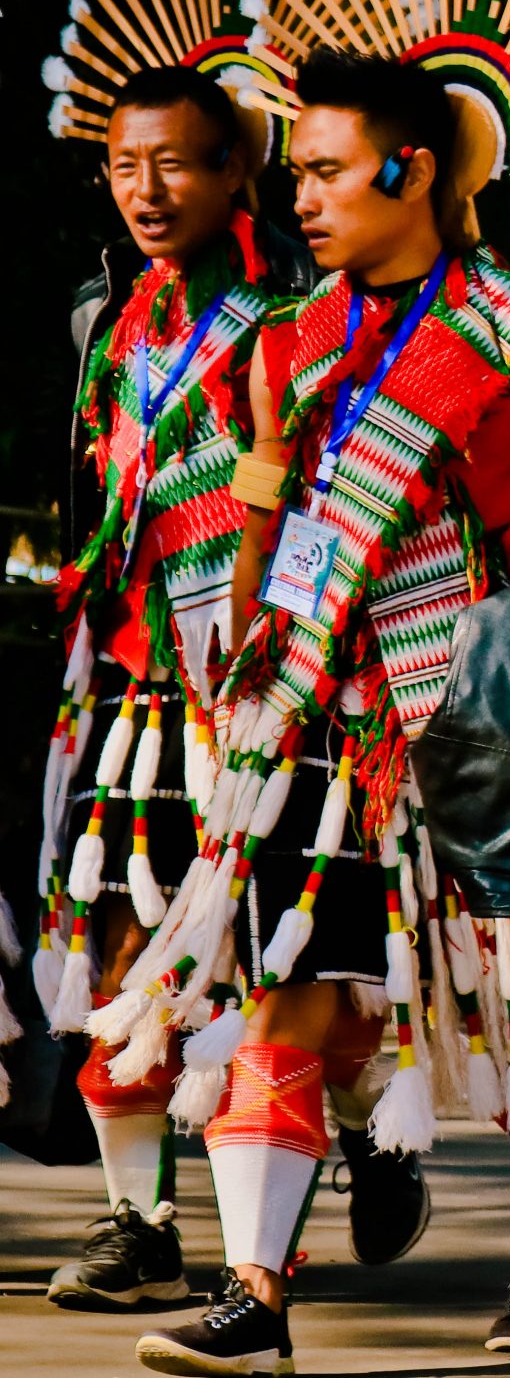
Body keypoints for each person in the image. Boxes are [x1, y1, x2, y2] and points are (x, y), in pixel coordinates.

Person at [105, 51, 510, 1374]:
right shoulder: (291, 339)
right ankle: (256, 1292)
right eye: (296, 172)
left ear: (410, 170)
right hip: (320, 709)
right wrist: (249, 648)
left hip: (480, 715)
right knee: (282, 991)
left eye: (325, 172)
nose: (300, 197)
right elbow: (265, 519)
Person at [35, 65, 322, 1311]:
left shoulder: (291, 316)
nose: (145, 189)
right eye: (124, 165)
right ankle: (140, 1223)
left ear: (235, 171)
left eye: (173, 164)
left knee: (277, 953)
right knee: (118, 935)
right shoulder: (106, 317)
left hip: (253, 673)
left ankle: (312, 1181)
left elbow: (319, 494)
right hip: (134, 671)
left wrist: (290, 632)